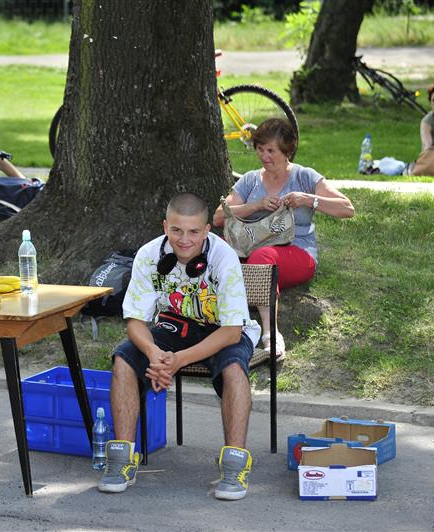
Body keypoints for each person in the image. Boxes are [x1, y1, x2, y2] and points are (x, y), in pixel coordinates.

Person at [98, 192, 262, 501]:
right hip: (174, 326)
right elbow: (135, 322)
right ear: (165, 226)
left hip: (222, 330)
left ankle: (234, 466)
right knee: (123, 358)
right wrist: (155, 355)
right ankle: (121, 460)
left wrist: (178, 360)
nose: (184, 240)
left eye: (193, 232)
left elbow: (231, 332)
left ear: (207, 230)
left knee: (233, 368)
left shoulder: (223, 256)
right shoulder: (148, 254)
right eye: (176, 230)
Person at [213, 118, 354, 356]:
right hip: (252, 245)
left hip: (296, 251)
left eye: (271, 151)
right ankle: (220, 325)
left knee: (261, 258)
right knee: (216, 248)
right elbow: (218, 217)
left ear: (287, 151)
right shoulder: (250, 179)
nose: (264, 156)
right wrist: (255, 205)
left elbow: (347, 208)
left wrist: (308, 199)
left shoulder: (304, 176)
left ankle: (271, 333)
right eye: (260, 149)